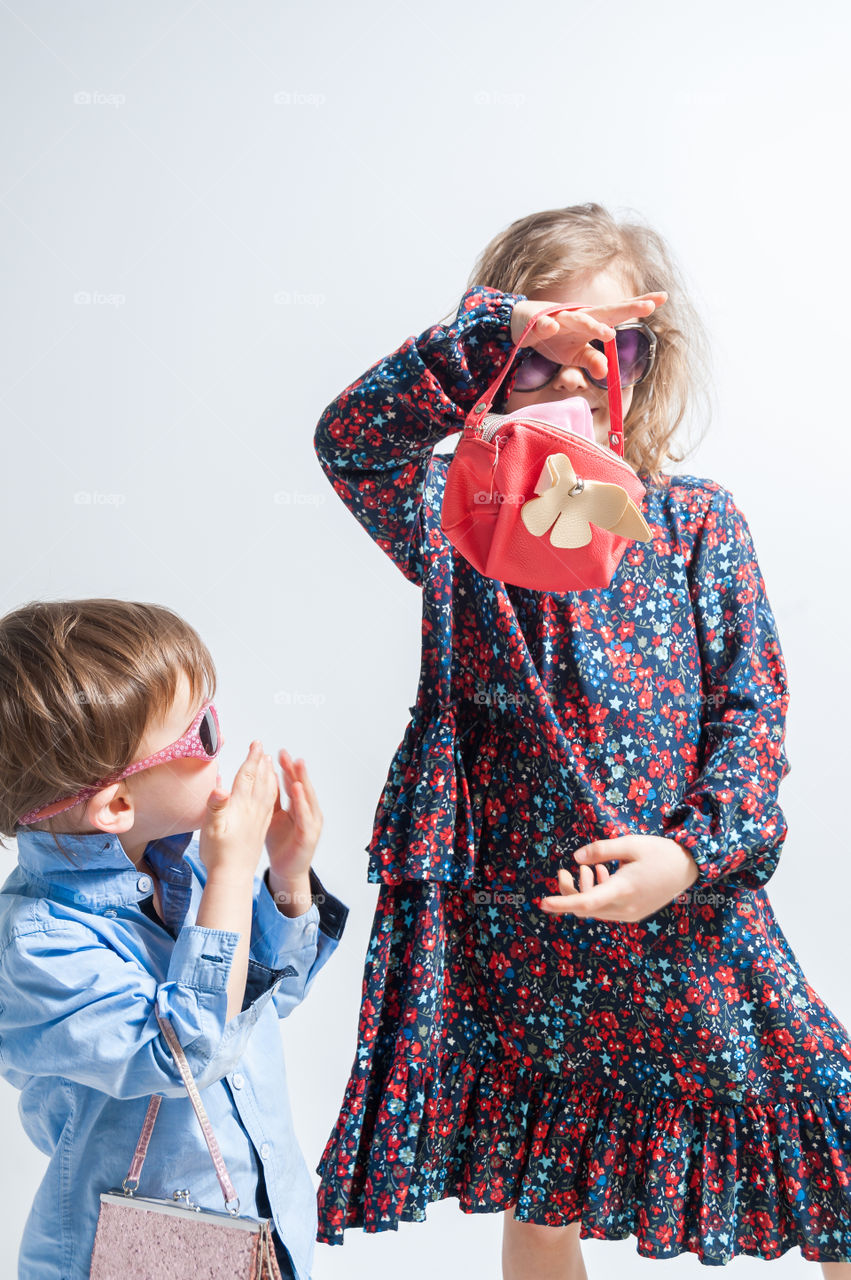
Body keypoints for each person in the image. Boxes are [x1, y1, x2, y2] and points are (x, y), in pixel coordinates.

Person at [311, 202, 851, 1275]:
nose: (570, 380)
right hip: (524, 903)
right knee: (541, 1168)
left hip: (681, 892)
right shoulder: (457, 519)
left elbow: (752, 715)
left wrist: (690, 854)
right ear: (491, 365)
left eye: (605, 350)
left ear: (647, 365)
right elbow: (350, 442)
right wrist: (487, 331)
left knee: (822, 1116)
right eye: (536, 355)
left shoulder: (694, 520)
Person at [0, 598, 348, 1280]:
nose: (221, 741)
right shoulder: (36, 945)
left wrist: (285, 877)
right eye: (201, 734)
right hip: (129, 1255)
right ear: (116, 805)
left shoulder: (181, 868)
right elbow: (187, 1052)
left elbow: (262, 1003)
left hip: (256, 1230)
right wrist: (232, 873)